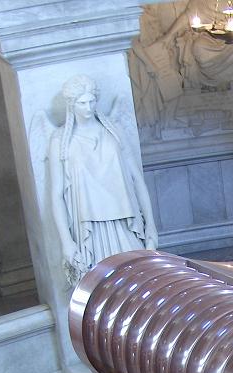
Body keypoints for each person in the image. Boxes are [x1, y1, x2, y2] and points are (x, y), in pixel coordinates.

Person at [48, 75, 158, 286]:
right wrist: (66, 242)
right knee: (101, 290)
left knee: (139, 283)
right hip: (90, 230)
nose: (88, 107)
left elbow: (137, 180)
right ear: (71, 105)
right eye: (82, 103)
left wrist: (150, 226)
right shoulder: (61, 142)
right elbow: (57, 194)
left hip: (125, 223)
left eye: (91, 101)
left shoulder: (113, 131)